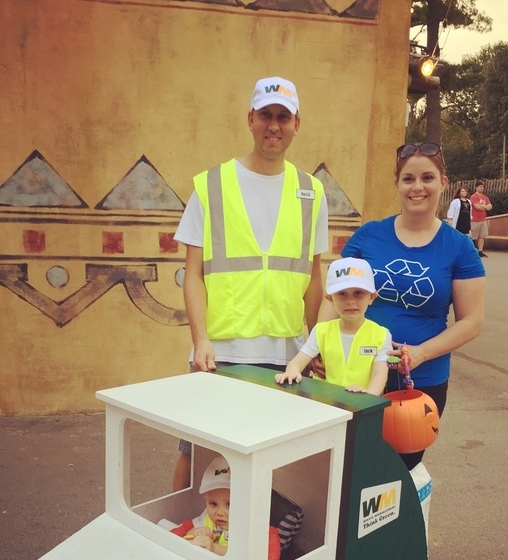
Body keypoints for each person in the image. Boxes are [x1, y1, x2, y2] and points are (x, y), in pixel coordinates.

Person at [172, 76, 329, 489]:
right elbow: (192, 273)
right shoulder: (210, 185)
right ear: (250, 119)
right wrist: (200, 339)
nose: (273, 125)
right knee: (200, 461)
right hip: (221, 351)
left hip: (287, 354)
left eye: (283, 116)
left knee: (276, 468)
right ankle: (183, 537)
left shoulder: (311, 191)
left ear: (297, 123)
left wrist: (316, 343)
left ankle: (260, 549)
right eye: (265, 115)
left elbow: (314, 276)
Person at [315, 141, 485, 470]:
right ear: (397, 184)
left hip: (420, 383)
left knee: (396, 473)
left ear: (443, 182)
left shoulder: (460, 248)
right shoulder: (368, 237)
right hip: (354, 373)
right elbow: (333, 295)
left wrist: (420, 353)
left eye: (427, 177)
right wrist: (321, 346)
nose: (417, 187)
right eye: (408, 179)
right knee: (345, 470)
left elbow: (471, 321)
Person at [275, 257, 390, 394]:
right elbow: (297, 362)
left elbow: (380, 374)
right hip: (326, 404)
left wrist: (368, 398)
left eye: (358, 293)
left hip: (365, 407)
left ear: (371, 297)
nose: (350, 301)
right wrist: (292, 372)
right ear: (330, 299)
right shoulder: (321, 331)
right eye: (342, 294)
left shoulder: (381, 335)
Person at [171, 455, 281, 560]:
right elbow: (173, 536)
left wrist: (214, 548)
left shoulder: (256, 531)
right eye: (213, 504)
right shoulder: (205, 519)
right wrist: (193, 533)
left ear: (250, 504)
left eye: (229, 504)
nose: (220, 512)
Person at [470, 180, 492, 257]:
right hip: (475, 219)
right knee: (474, 236)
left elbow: (490, 207)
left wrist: (483, 207)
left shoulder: (485, 197)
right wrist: (485, 207)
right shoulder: (473, 197)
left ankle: (480, 251)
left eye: (482, 187)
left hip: (483, 219)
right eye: (480, 187)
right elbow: (476, 206)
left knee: (482, 236)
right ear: (476, 187)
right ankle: (472, 251)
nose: (481, 188)